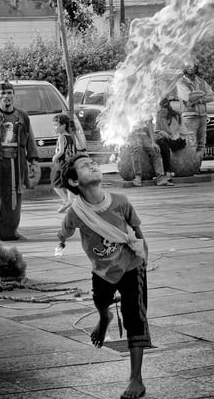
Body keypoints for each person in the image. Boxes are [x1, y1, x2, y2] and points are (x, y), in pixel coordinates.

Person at [57, 153, 150, 399]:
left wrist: (143, 253)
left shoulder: (120, 201)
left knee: (135, 318)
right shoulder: (76, 212)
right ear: (75, 182)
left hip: (131, 266)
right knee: (100, 300)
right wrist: (61, 240)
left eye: (93, 163)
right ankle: (104, 316)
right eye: (84, 166)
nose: (93, 165)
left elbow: (137, 231)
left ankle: (136, 378)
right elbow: (64, 231)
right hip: (102, 270)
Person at [0, 80, 40, 241]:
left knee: (12, 199)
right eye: (3, 94)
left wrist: (33, 161)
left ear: (14, 95)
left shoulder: (22, 116)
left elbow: (30, 140)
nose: (6, 97)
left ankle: (7, 232)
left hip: (14, 164)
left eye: (9, 93)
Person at [176, 63, 214, 161]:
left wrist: (198, 99)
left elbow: (212, 96)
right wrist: (203, 95)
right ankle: (192, 165)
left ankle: (198, 165)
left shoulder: (201, 81)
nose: (191, 68)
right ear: (184, 68)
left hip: (203, 115)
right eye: (188, 66)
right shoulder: (181, 82)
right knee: (192, 142)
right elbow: (188, 97)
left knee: (202, 143)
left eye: (192, 65)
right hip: (189, 116)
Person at [129, 119, 174, 187]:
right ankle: (137, 176)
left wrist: (153, 142)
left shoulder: (147, 109)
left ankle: (160, 178)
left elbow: (150, 125)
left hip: (143, 135)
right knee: (136, 148)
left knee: (155, 150)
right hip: (132, 134)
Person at [154, 98, 188, 178]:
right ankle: (161, 171)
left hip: (178, 139)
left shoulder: (175, 117)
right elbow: (157, 130)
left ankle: (168, 170)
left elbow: (174, 133)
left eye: (162, 110)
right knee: (160, 143)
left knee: (163, 143)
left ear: (166, 109)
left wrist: (165, 134)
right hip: (166, 139)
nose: (160, 112)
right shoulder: (159, 117)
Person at [51, 113, 77, 213]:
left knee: (54, 183)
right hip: (70, 163)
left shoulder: (61, 137)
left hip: (61, 164)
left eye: (56, 125)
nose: (54, 127)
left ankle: (65, 200)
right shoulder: (70, 137)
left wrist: (55, 157)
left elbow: (61, 151)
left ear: (63, 125)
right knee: (68, 183)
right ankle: (70, 202)